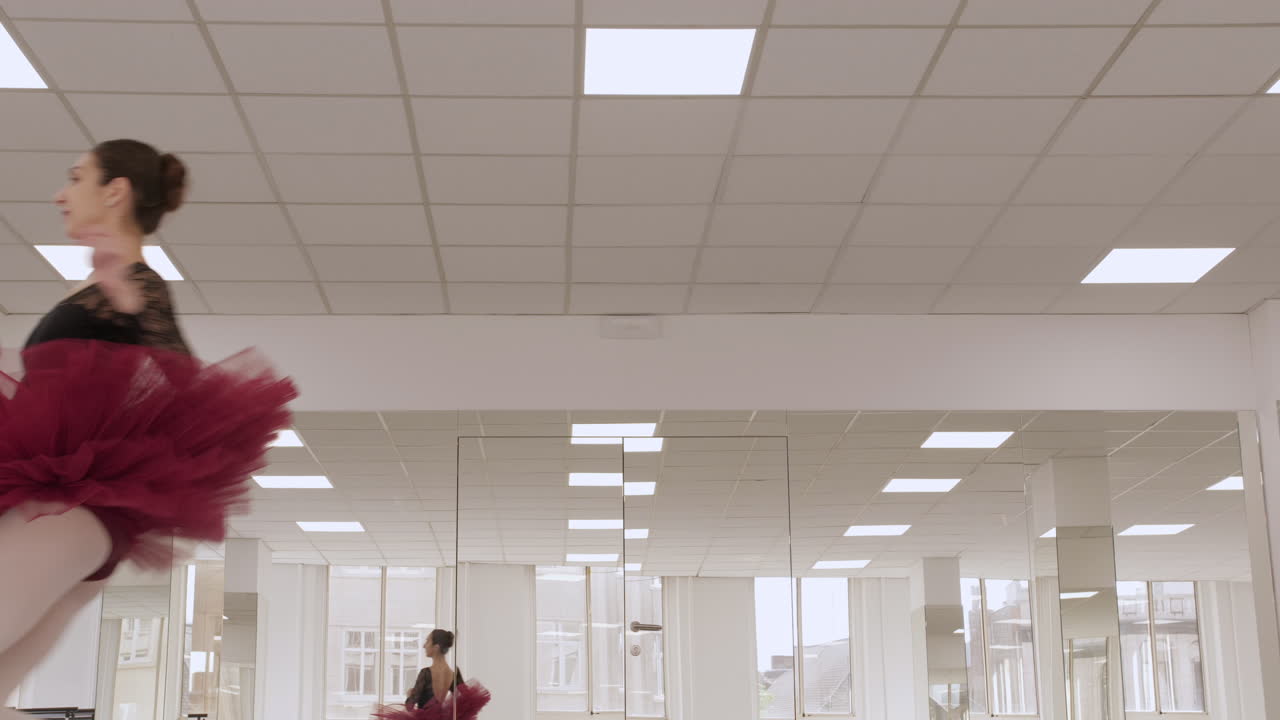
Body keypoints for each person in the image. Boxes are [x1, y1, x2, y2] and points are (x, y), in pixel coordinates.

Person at [0, 139, 297, 716]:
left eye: (76, 178)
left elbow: (188, 389)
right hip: (65, 515)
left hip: (69, 512)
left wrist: (132, 301)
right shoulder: (96, 291)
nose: (61, 194)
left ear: (116, 191)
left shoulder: (137, 286)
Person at [374, 629, 490, 720]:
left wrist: (409, 693)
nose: (424, 645)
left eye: (427, 641)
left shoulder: (426, 673)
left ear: (436, 647)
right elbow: (468, 702)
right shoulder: (454, 673)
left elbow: (409, 707)